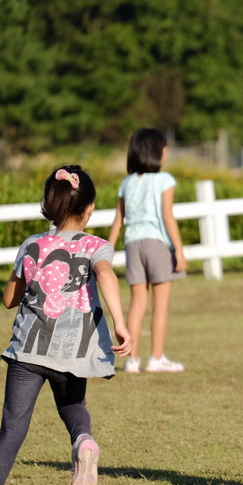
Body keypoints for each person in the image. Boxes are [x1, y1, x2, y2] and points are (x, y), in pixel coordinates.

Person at [0, 166, 133, 485]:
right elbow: (106, 275)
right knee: (72, 407)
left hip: (27, 350)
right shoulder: (95, 246)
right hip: (72, 352)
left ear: (49, 205)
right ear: (89, 208)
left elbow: (8, 300)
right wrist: (120, 321)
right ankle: (83, 441)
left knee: (12, 428)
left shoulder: (31, 245)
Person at [108, 128, 187, 373]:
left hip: (133, 244)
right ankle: (156, 358)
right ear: (156, 152)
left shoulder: (127, 182)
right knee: (160, 305)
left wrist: (107, 251)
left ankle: (131, 360)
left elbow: (118, 220)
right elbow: (167, 217)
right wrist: (179, 250)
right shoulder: (165, 180)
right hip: (157, 244)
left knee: (137, 303)